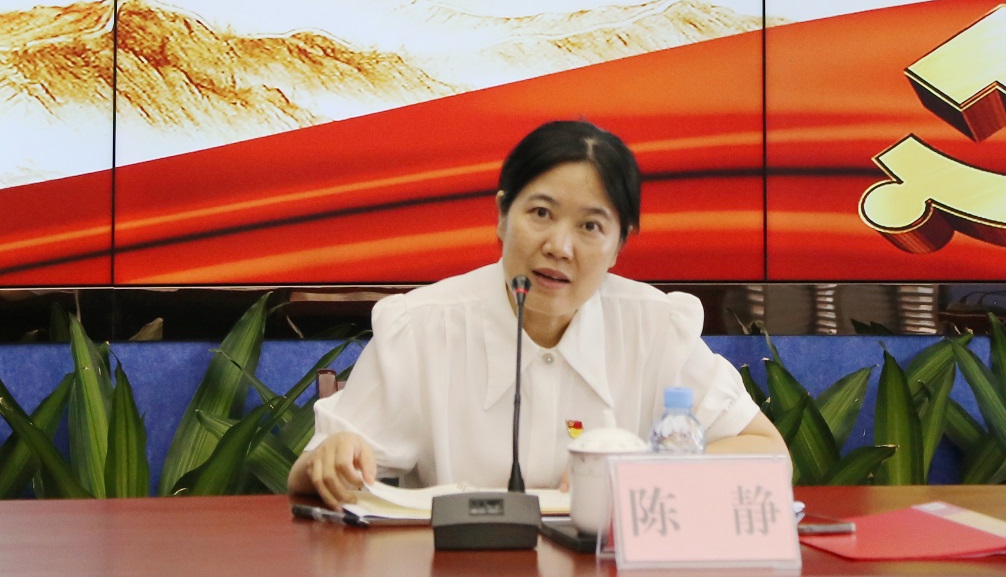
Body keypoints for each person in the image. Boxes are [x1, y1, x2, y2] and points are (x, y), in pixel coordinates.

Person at [288, 120, 787, 509]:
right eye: (541, 213)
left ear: (619, 245)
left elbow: (767, 453)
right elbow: (309, 474)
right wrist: (328, 461)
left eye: (590, 226)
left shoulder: (656, 327)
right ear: (502, 216)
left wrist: (640, 471)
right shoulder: (422, 327)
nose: (559, 247)